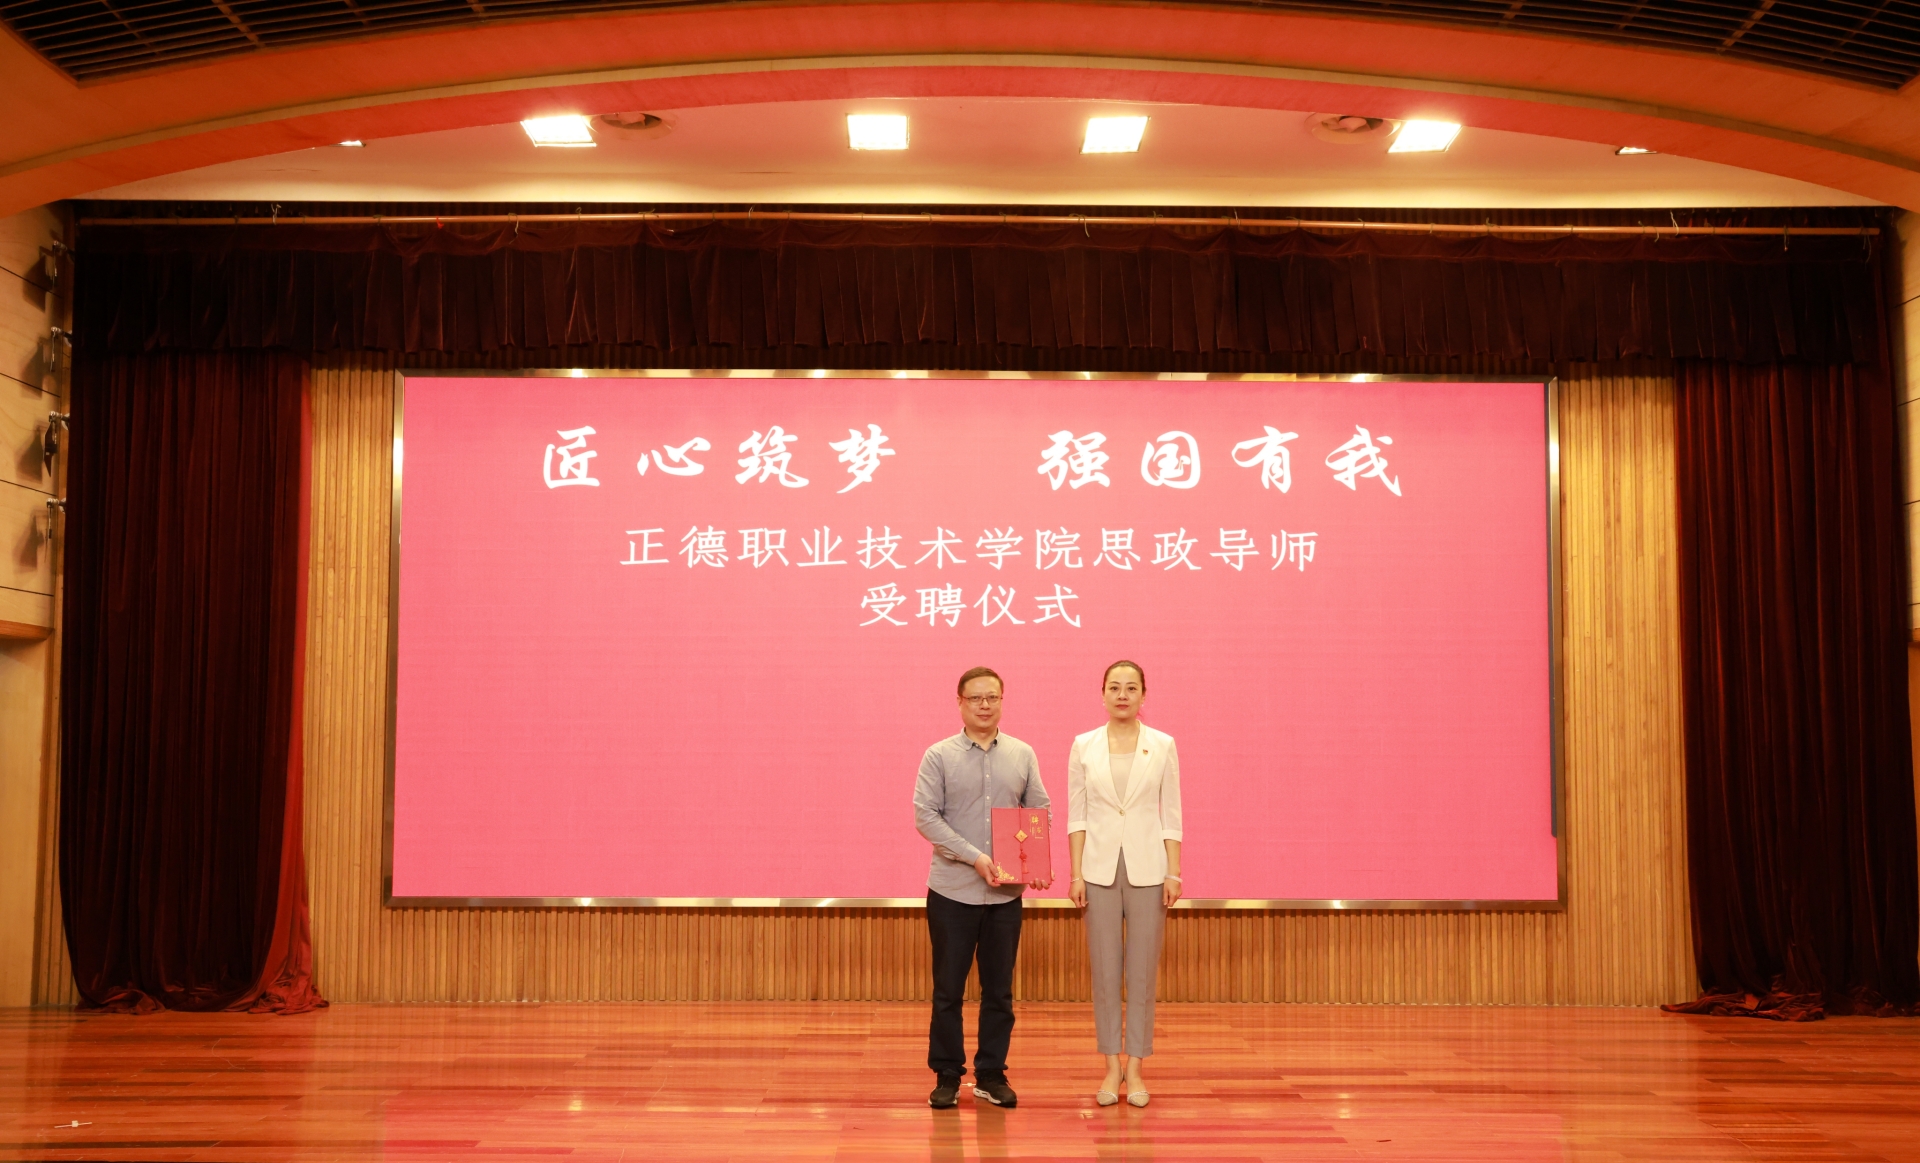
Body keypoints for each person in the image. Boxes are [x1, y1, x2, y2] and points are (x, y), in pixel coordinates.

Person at [913, 665, 1052, 1110]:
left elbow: (1039, 811)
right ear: (960, 702)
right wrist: (974, 857)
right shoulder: (939, 755)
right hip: (952, 891)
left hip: (1006, 896)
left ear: (1002, 701)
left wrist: (1036, 861)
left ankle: (991, 1073)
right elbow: (925, 817)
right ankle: (947, 1074)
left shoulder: (1022, 754)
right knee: (947, 990)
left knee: (999, 991)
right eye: (975, 698)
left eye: (992, 697)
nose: (985, 705)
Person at [1067, 660, 1182, 1108]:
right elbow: (1077, 815)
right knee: (1104, 971)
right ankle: (1111, 1064)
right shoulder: (1083, 745)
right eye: (1114, 687)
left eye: (1131, 688)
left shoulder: (1163, 745)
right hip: (1097, 869)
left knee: (1141, 971)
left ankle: (1135, 1065)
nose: (1122, 695)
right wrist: (1076, 873)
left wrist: (1173, 872)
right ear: (1102, 694)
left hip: (1149, 869)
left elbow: (1171, 813)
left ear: (1143, 695)